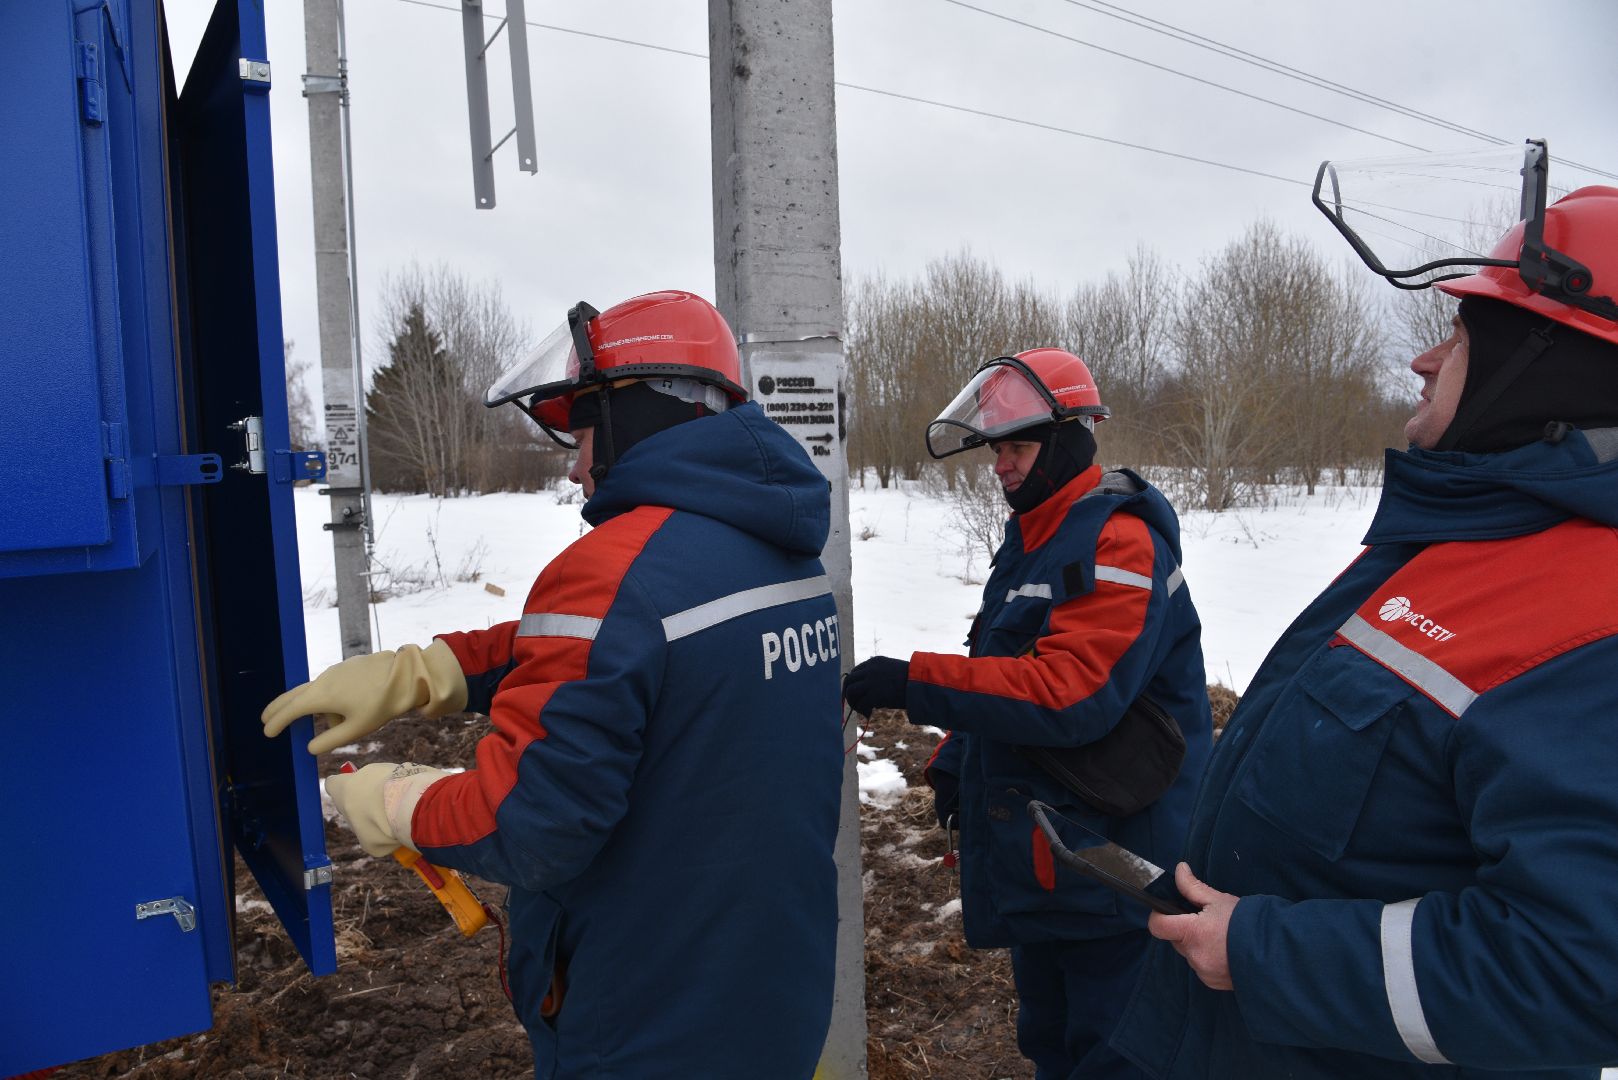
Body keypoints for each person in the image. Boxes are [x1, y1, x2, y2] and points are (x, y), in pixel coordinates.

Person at [261, 290, 844, 1079]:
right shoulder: (780, 550)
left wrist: (400, 801)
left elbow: (533, 823)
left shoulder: (613, 569)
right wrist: (427, 672)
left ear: (634, 411)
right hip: (771, 984)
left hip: (647, 1016)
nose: (574, 465)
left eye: (582, 432)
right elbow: (624, 650)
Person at [1110, 182, 1618, 1078]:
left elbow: (1581, 971)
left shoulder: (1591, 622)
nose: (1425, 360)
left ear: (1545, 367)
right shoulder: (1454, 542)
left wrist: (1268, 953)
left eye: (1462, 334)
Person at [842, 348, 1214, 1080]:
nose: (1001, 465)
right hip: (1051, 857)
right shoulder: (1035, 538)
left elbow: (1072, 691)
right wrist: (956, 758)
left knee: (1115, 1053)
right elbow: (1003, 662)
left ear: (1070, 436)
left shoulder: (1117, 538)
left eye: (1016, 446)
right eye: (995, 449)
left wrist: (913, 682)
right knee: (1051, 1041)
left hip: (1116, 866)